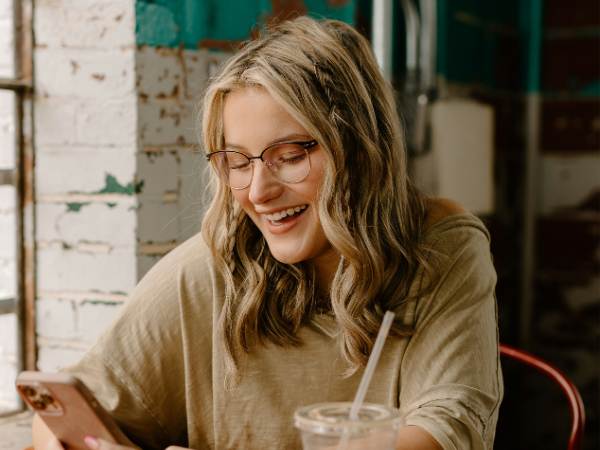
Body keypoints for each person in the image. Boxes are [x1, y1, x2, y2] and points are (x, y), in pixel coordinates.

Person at [33, 17, 502, 450]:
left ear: (359, 150)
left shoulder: (442, 250)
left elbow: (448, 430)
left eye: (291, 155)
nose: (258, 192)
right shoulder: (211, 268)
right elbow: (59, 412)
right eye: (237, 162)